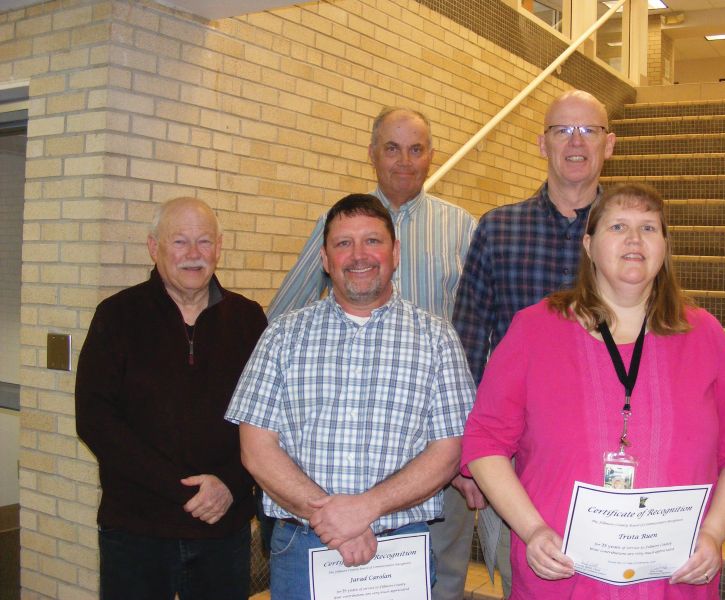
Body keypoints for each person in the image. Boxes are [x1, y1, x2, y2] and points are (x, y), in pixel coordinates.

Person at [461, 183, 725, 599]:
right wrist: (531, 529)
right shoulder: (534, 330)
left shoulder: (705, 334)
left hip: (673, 576)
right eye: (618, 226)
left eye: (649, 228)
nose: (634, 239)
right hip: (561, 574)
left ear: (665, 245)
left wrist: (712, 534)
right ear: (588, 244)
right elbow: (484, 442)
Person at [266, 107, 481, 600]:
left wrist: (471, 458)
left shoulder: (463, 229)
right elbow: (283, 313)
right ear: (372, 155)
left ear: (431, 157)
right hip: (334, 459)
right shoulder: (334, 223)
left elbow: (482, 336)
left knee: (439, 578)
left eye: (416, 149)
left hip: (431, 451)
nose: (404, 161)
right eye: (391, 148)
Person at [225, 194, 476, 600]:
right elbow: (256, 449)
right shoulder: (282, 336)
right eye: (343, 243)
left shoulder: (438, 339)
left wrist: (367, 509)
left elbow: (449, 450)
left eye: (372, 241)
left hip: (400, 547)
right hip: (304, 547)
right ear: (325, 259)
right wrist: (330, 517)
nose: (359, 255)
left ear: (395, 252)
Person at [451, 89, 617, 596]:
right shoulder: (499, 230)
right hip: (518, 468)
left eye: (588, 130)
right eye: (562, 130)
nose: (575, 141)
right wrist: (471, 459)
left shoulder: (630, 234)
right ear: (541, 143)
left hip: (615, 462)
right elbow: (467, 344)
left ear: (608, 145)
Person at [75, 197, 267, 600]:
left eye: (204, 241)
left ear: (220, 246)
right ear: (153, 247)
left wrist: (231, 484)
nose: (194, 254)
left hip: (224, 528)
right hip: (136, 531)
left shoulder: (249, 319)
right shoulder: (117, 316)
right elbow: (95, 420)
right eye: (180, 242)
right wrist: (185, 492)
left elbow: (268, 418)